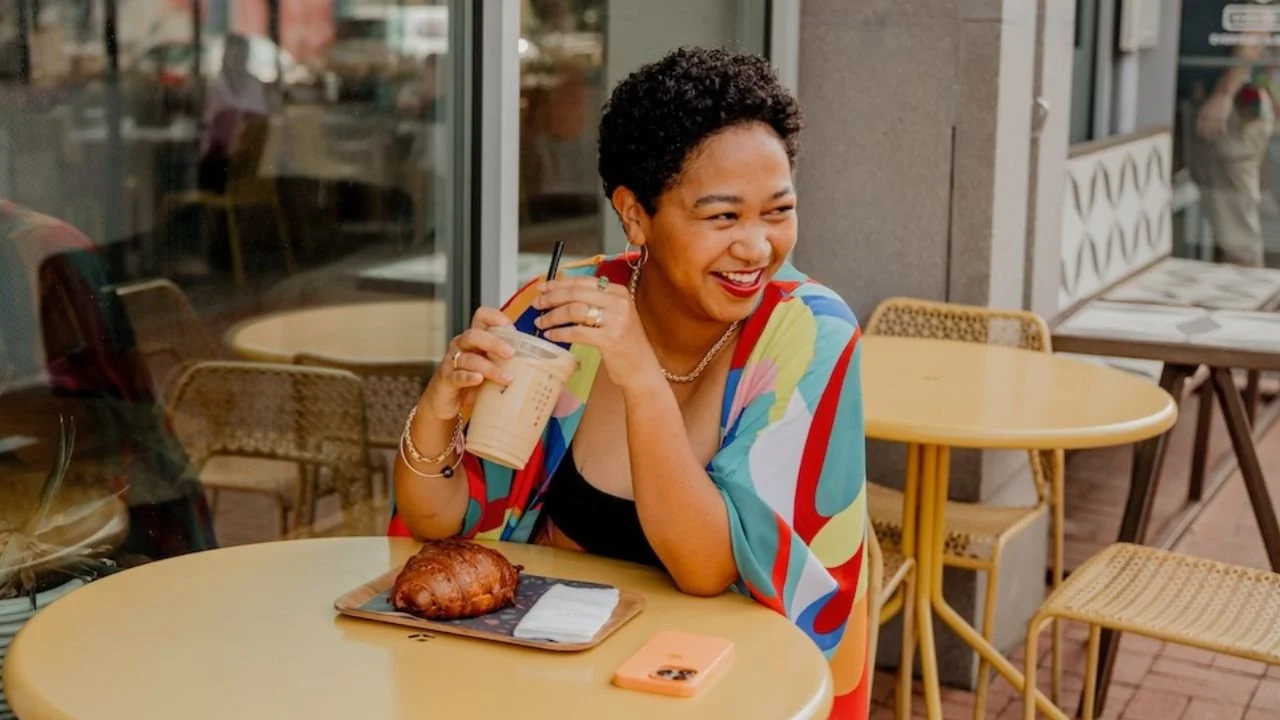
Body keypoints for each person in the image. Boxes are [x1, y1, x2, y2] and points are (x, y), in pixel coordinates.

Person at [390, 47, 870, 716]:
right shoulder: (562, 310)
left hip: (720, 688)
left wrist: (641, 376)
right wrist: (440, 405)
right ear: (635, 214)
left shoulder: (808, 333)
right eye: (723, 217)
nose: (757, 247)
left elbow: (706, 569)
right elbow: (445, 520)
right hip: (543, 682)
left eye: (777, 211)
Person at [1180, 1, 1275, 267]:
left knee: (1235, 228)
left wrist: (1223, 95)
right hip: (1194, 102)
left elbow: (1256, 24)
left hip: (1229, 107)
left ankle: (1247, 302)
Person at [197, 34, 269, 193]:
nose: (235, 60)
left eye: (239, 55)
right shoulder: (217, 86)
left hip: (248, 164)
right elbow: (210, 127)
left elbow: (262, 126)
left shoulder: (256, 86)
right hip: (221, 163)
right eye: (232, 55)